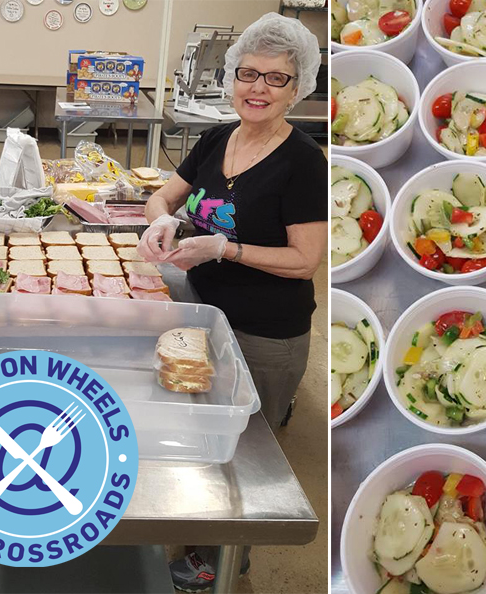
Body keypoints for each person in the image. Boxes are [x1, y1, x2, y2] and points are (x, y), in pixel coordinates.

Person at [136, 13, 325, 591]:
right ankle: (199, 529)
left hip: (267, 332)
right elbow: (164, 195)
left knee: (247, 451)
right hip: (202, 315)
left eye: (277, 78)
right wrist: (162, 220)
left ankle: (223, 560)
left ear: (300, 87)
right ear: (231, 77)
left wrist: (227, 248)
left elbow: (304, 259)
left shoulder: (304, 162)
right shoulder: (218, 138)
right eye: (248, 74)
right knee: (203, 435)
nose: (259, 88)